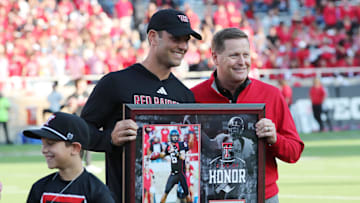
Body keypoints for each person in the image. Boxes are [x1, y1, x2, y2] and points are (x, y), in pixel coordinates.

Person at [80, 8, 202, 202]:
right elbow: (80, 130)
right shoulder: (115, 83)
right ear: (153, 37)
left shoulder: (185, 95)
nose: (183, 46)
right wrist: (109, 139)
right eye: (176, 38)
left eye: (186, 39)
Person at [191, 28, 304, 203]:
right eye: (234, 55)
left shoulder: (271, 95)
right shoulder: (193, 97)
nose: (242, 62)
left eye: (246, 54)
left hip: (261, 196)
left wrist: (275, 139)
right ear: (215, 58)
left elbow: (294, 152)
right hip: (211, 196)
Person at [23, 112, 115, 203]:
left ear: (75, 148)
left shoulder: (97, 192)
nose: (44, 150)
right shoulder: (39, 188)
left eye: (50, 144)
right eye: (43, 144)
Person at [151, 130, 190, 203]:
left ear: (178, 137)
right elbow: (164, 154)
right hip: (173, 174)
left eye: (176, 136)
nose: (175, 138)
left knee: (187, 194)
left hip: (181, 173)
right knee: (166, 192)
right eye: (173, 136)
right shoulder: (169, 146)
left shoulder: (181, 144)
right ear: (170, 137)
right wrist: (158, 155)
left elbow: (182, 157)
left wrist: (175, 152)